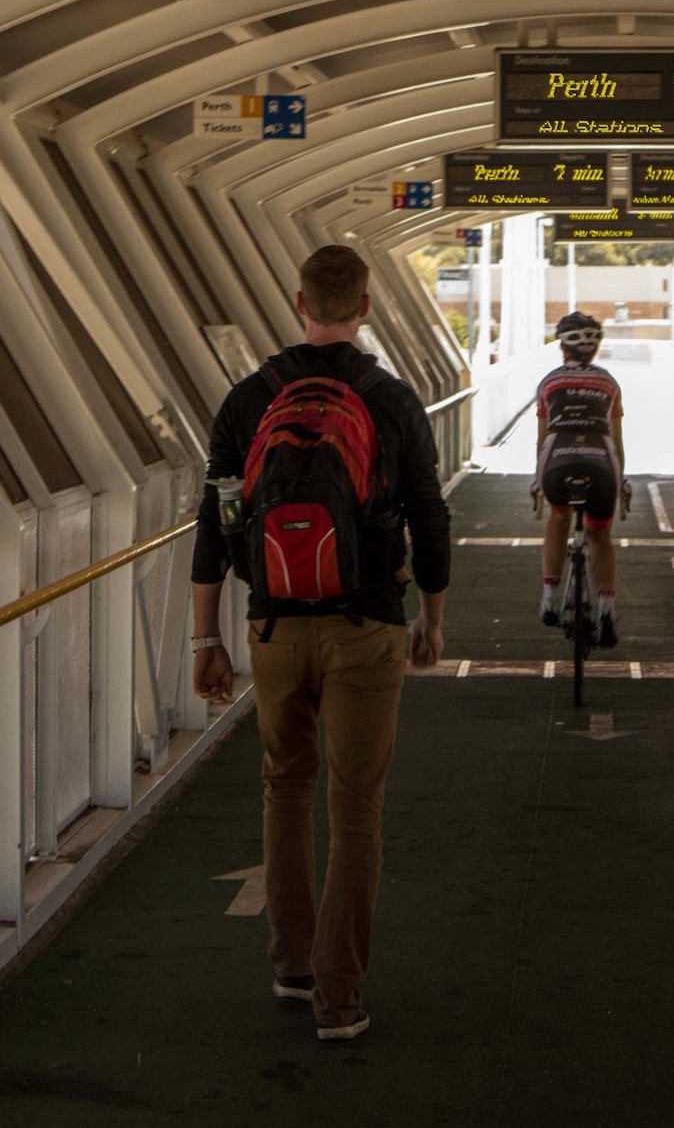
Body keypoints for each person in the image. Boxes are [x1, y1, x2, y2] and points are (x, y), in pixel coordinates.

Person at [190, 245, 450, 1042]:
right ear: (365, 307)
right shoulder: (391, 397)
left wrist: (206, 635)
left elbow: (216, 525)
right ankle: (341, 998)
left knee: (285, 788)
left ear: (295, 298)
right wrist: (431, 616)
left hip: (272, 624)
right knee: (356, 807)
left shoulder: (247, 399)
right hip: (365, 623)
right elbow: (430, 516)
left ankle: (292, 968)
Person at [533, 311, 627, 647]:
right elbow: (615, 441)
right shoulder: (609, 383)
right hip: (602, 462)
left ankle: (549, 596)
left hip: (556, 460)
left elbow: (543, 438)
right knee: (600, 533)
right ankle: (606, 608)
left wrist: (536, 483)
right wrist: (623, 483)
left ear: (562, 345)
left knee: (559, 515)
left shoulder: (548, 382)